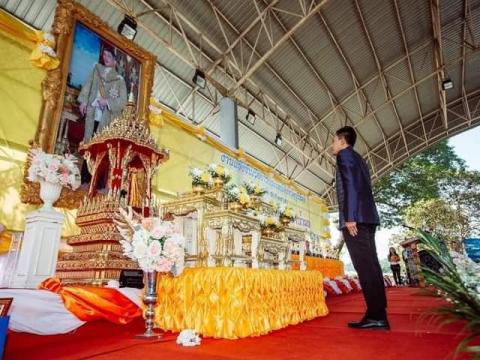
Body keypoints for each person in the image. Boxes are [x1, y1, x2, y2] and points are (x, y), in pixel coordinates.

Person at [332, 126, 389, 330]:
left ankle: (376, 315)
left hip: (356, 219)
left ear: (341, 141)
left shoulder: (344, 155)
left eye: (333, 141)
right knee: (372, 266)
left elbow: (350, 185)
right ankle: (378, 312)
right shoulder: (358, 158)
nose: (332, 145)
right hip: (368, 218)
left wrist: (350, 217)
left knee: (365, 267)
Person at [77, 45, 127, 143]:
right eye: (104, 55)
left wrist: (107, 102)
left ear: (114, 61)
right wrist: (83, 101)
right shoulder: (97, 70)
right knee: (87, 140)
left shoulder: (119, 80)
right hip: (92, 111)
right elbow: (88, 85)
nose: (106, 58)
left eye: (109, 56)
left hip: (107, 117)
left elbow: (123, 101)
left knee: (99, 143)